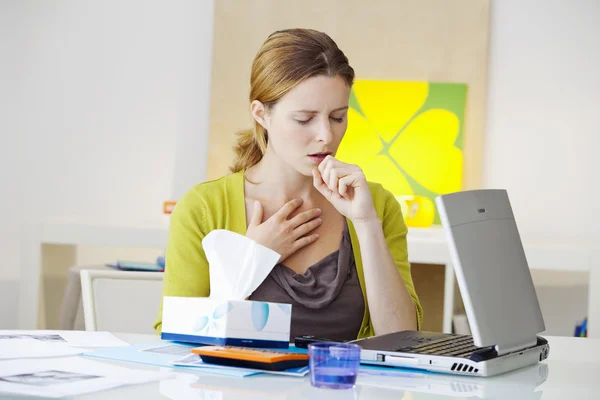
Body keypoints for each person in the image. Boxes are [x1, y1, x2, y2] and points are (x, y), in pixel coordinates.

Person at [154, 28, 422, 341]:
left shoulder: (375, 204)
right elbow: (173, 341)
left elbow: (403, 340)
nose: (326, 135)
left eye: (337, 117)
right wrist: (250, 261)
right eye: (304, 119)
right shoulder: (203, 208)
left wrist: (366, 224)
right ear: (261, 114)